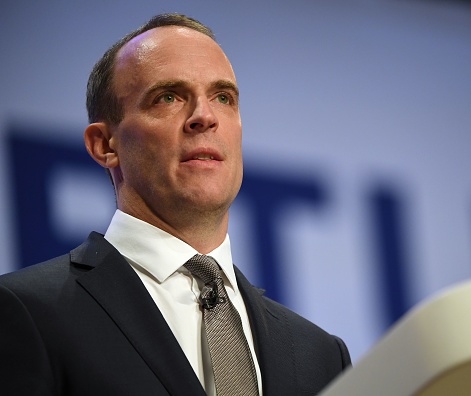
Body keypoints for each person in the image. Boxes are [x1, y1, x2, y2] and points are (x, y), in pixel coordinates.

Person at [0, 13, 350, 396]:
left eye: (223, 97)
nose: (205, 117)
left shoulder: (322, 356)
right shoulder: (26, 312)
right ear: (105, 145)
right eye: (168, 97)